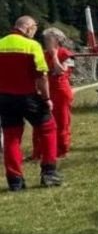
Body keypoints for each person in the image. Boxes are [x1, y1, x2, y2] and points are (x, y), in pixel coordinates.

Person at [0, 16, 62, 190]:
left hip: (5, 98)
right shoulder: (32, 46)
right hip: (28, 96)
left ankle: (15, 181)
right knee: (48, 128)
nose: (35, 31)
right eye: (34, 27)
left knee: (11, 137)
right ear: (27, 28)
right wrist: (47, 99)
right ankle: (49, 172)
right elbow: (42, 76)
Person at [38, 27, 75, 158]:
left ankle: (62, 149)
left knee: (62, 120)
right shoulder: (42, 54)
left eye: (49, 39)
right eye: (45, 40)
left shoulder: (65, 53)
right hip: (46, 90)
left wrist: (54, 56)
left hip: (61, 90)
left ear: (57, 40)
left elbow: (61, 71)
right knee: (42, 121)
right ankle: (40, 151)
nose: (46, 42)